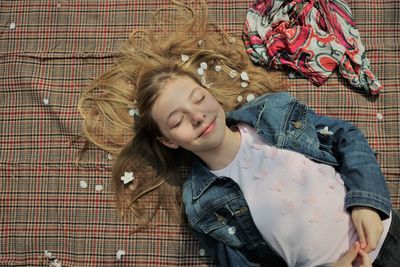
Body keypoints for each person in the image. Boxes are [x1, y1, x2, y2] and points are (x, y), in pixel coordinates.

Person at [78, 1, 400, 266]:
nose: (197, 116)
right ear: (168, 140)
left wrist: (367, 204)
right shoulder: (203, 206)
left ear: (209, 92)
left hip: (387, 233)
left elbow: (346, 137)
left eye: (198, 98)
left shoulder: (272, 112)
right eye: (177, 121)